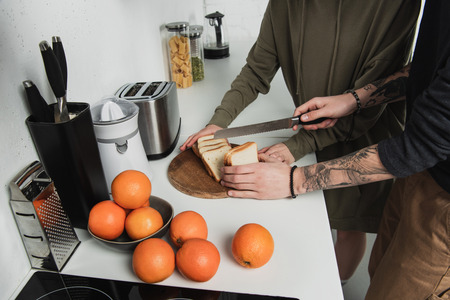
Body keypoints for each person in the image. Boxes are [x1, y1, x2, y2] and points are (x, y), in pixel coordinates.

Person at [220, 1, 450, 298]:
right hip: (418, 172)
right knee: (378, 270)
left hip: (442, 196)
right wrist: (355, 98)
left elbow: (419, 146)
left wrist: (295, 180)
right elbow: (424, 71)